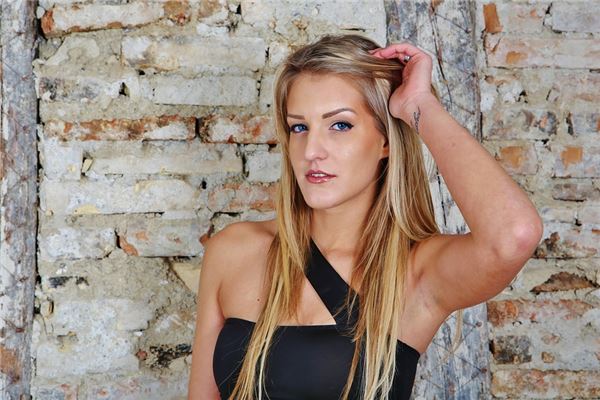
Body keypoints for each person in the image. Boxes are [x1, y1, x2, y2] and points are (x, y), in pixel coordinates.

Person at [187, 34, 543, 400]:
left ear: (385, 140)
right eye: (299, 127)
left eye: (340, 125)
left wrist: (419, 104)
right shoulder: (233, 251)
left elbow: (514, 235)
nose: (311, 151)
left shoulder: (415, 272)